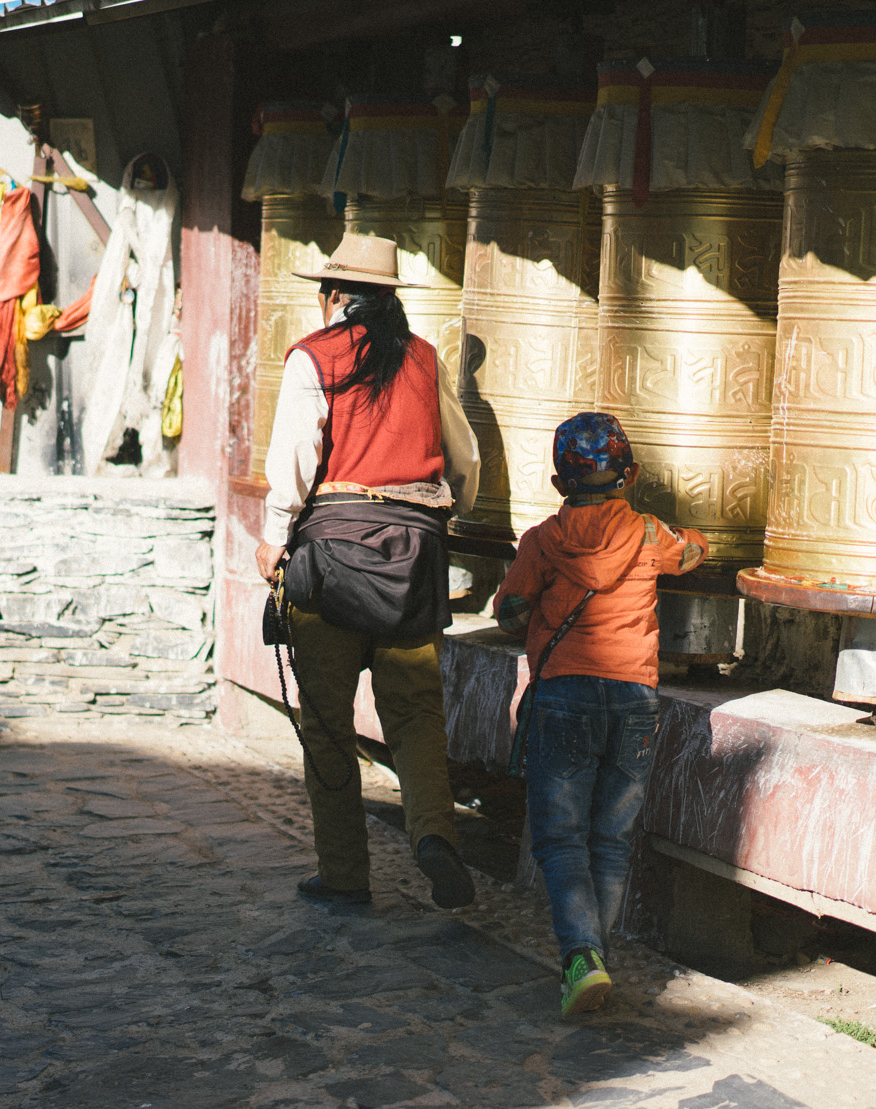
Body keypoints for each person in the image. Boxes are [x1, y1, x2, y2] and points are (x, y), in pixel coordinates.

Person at [255, 231, 481, 910]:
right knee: (415, 713)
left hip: (331, 562)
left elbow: (296, 457)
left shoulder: (312, 358)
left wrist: (273, 538)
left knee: (326, 719)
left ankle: (346, 873)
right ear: (388, 301)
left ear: (332, 295)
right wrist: (450, 511)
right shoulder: (423, 359)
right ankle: (433, 835)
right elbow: (463, 460)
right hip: (415, 559)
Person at [494, 411, 706, 1016]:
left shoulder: (541, 541)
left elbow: (508, 612)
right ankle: (593, 963)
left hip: (564, 695)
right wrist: (694, 540)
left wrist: (529, 609)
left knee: (561, 839)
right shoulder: (647, 534)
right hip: (634, 698)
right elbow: (690, 554)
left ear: (560, 485)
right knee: (610, 840)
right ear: (630, 475)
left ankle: (581, 958)